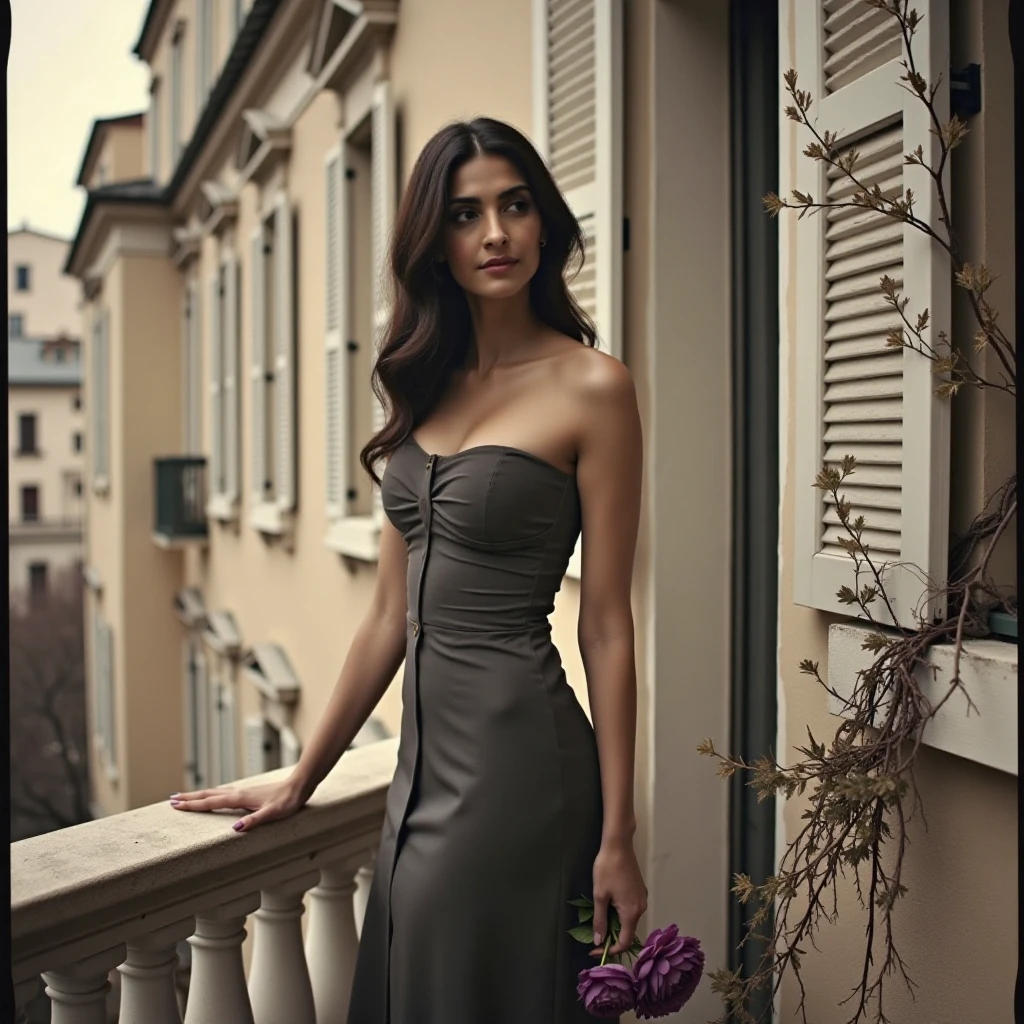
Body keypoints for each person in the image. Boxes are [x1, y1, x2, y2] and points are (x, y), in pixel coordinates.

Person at [171, 116, 646, 1024]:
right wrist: (303, 773)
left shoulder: (594, 386)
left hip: (521, 769)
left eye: (515, 206)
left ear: (546, 224)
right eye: (466, 215)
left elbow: (608, 624)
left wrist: (618, 832)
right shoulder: (421, 385)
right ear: (437, 243)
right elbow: (388, 616)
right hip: (419, 772)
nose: (495, 233)